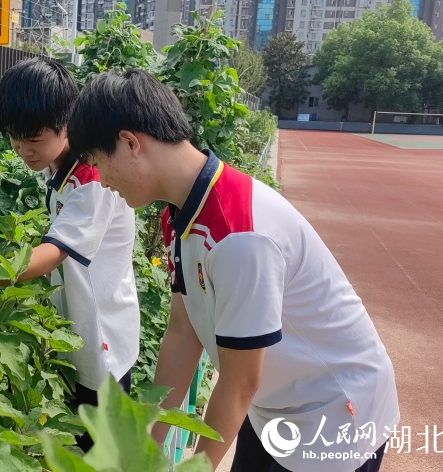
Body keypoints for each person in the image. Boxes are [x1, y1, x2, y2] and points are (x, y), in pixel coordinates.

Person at [65, 69, 399, 472]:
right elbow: (181, 333)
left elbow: (240, 383)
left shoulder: (240, 234)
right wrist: (145, 445)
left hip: (335, 409)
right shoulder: (181, 213)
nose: (102, 181)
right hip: (273, 405)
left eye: (100, 164)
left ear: (130, 143)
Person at [0, 58, 141, 452]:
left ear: (66, 124)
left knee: (103, 451)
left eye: (33, 138)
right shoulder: (60, 165)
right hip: (75, 328)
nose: (22, 150)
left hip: (104, 339)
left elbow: (53, 253)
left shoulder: (91, 178)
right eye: (14, 137)